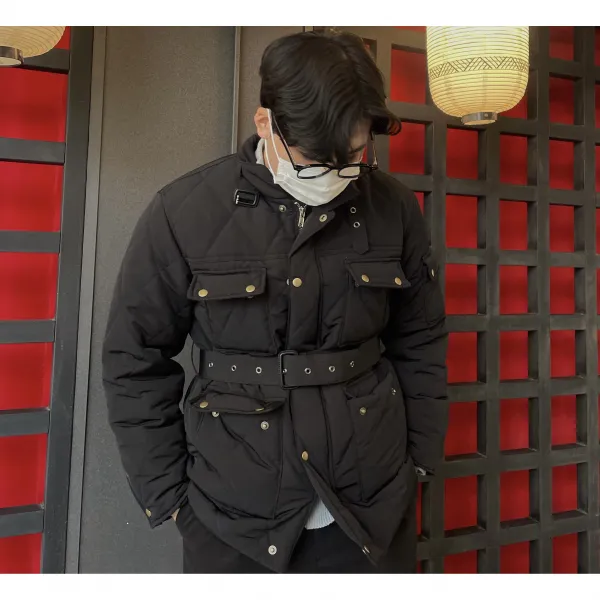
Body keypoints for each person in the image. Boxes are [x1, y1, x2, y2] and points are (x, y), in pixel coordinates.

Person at [102, 29, 448, 574]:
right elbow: (133, 357)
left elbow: (421, 337)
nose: (334, 177)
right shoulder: (184, 211)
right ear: (266, 124)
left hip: (373, 503)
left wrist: (420, 459)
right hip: (230, 513)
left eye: (351, 158)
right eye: (314, 163)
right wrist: (168, 496)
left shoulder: (393, 207)